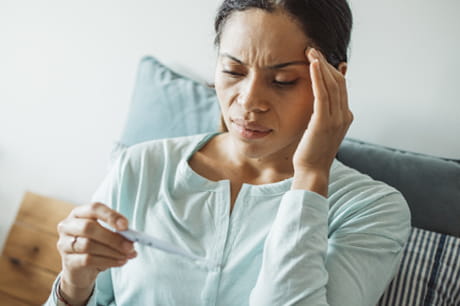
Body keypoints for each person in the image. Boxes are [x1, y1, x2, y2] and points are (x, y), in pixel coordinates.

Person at [45, 0, 411, 305]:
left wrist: (311, 177)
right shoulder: (141, 166)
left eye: (283, 81)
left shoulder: (372, 209)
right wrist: (73, 286)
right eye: (233, 71)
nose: (248, 101)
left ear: (332, 82)